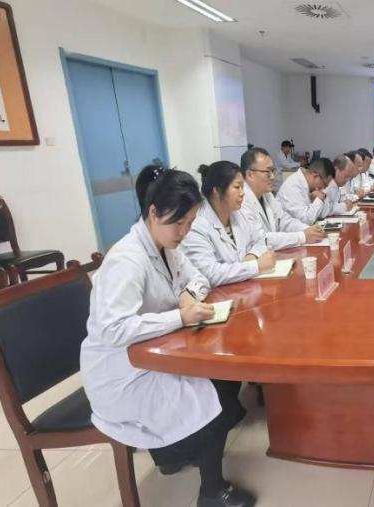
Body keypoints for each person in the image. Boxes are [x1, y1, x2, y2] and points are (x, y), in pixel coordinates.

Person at [81, 166, 256, 507]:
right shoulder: (127, 260)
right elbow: (114, 329)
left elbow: (198, 278)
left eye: (190, 223)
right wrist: (179, 316)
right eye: (179, 223)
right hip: (122, 373)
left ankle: (174, 453)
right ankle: (212, 491)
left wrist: (188, 294)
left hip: (153, 354)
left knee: (222, 379)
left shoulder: (167, 245)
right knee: (215, 392)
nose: (184, 232)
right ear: (153, 212)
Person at [181, 161, 275, 287]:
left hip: (245, 286)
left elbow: (261, 240)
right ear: (216, 190)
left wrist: (252, 255)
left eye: (242, 187)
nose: (242, 193)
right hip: (218, 294)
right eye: (237, 187)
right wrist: (254, 266)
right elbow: (210, 273)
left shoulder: (239, 213)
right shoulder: (196, 225)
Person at [239, 147, 324, 250]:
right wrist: (302, 236)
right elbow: (261, 239)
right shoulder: (241, 201)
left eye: (273, 171)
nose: (273, 177)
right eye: (267, 172)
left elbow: (283, 220)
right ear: (250, 175)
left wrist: (309, 229)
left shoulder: (267, 195)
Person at [276, 156, 335, 225]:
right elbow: (305, 220)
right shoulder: (293, 186)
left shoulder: (309, 186)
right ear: (315, 176)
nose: (323, 188)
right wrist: (319, 199)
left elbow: (323, 214)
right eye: (324, 184)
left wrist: (320, 199)